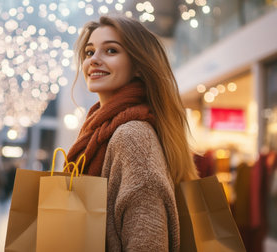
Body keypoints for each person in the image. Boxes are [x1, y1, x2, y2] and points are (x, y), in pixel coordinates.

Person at [66, 15, 199, 251]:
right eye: (89, 52)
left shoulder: (133, 137)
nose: (94, 60)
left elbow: (148, 242)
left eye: (110, 51)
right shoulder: (99, 129)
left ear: (138, 66)